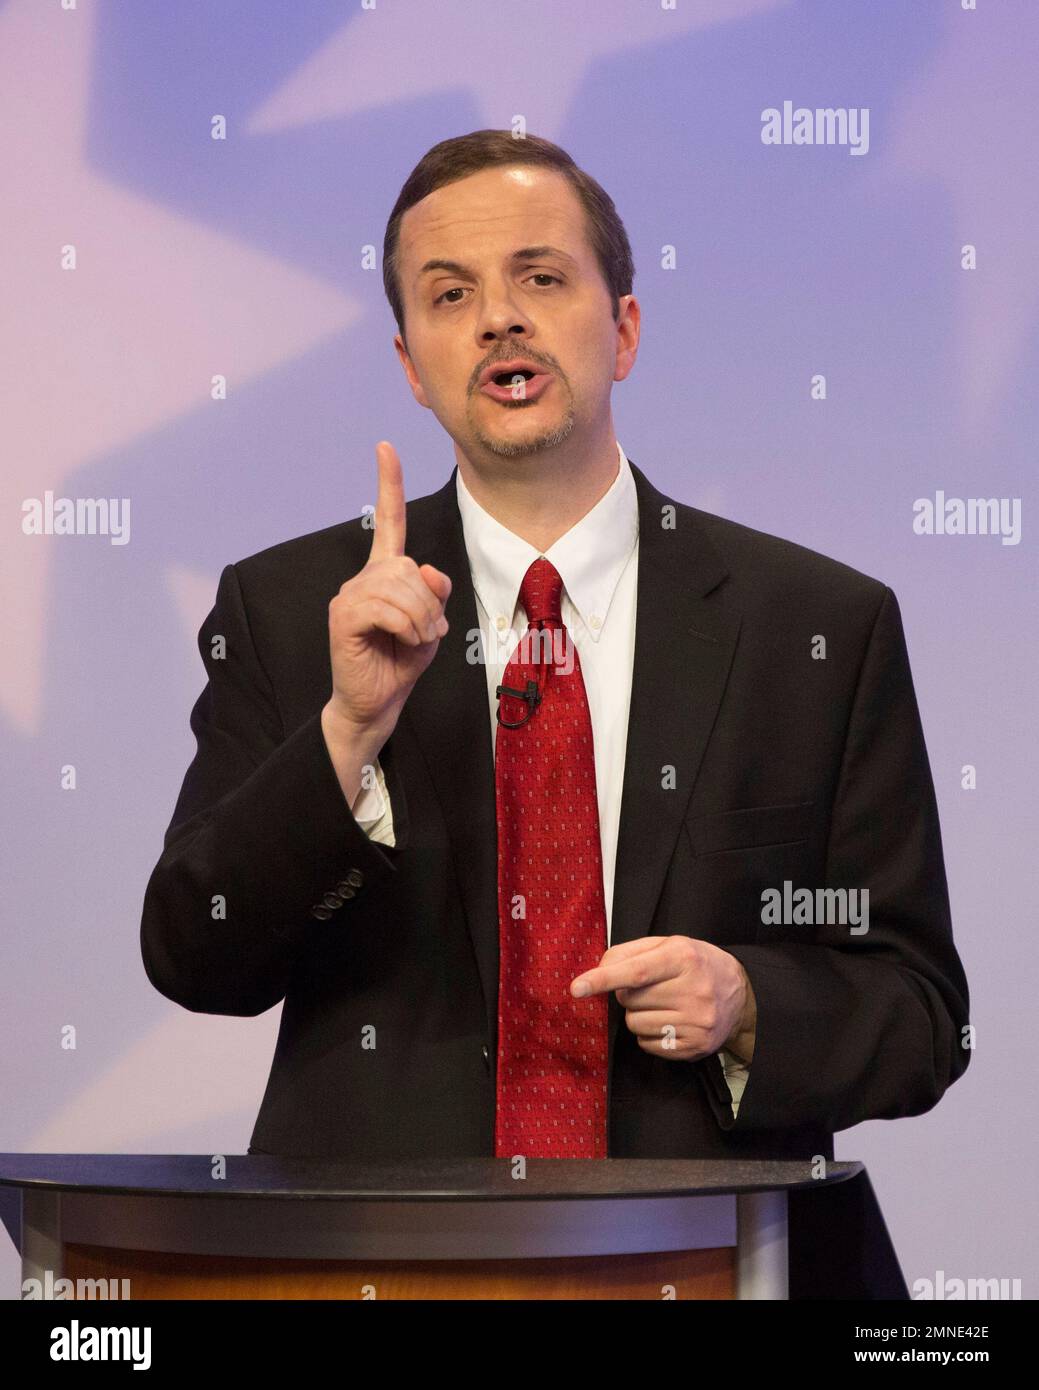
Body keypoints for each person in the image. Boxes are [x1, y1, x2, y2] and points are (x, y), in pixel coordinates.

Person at [141, 129, 971, 1299]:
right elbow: (193, 952)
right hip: (372, 1274)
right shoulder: (290, 612)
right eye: (449, 294)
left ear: (622, 329)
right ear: (411, 362)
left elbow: (923, 1012)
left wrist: (746, 1003)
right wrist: (344, 735)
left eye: (539, 278)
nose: (497, 320)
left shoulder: (816, 627)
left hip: (701, 1268)